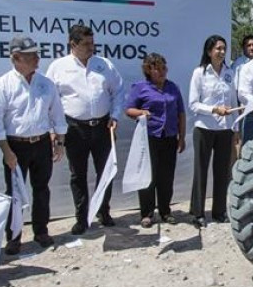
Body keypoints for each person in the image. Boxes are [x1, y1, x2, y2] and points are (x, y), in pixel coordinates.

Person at [0, 36, 67, 254]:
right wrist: (6, 152)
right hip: (15, 146)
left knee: (42, 189)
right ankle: (13, 236)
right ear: (16, 58)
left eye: (36, 54)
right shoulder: (2, 85)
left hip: (41, 143)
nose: (37, 59)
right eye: (31, 55)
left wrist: (59, 143)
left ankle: (41, 230)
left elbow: (57, 115)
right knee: (15, 192)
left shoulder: (45, 83)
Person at [46, 25, 124, 235]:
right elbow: (50, 101)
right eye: (86, 44)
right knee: (78, 175)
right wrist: (55, 129)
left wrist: (115, 116)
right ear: (73, 44)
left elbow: (118, 91)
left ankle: (103, 211)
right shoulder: (58, 67)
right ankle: (81, 217)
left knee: (106, 172)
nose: (92, 47)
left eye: (92, 42)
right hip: (74, 129)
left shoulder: (104, 64)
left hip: (102, 127)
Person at [125, 53, 186, 227]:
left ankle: (165, 211)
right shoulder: (140, 87)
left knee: (166, 176)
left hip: (169, 137)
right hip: (148, 137)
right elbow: (129, 109)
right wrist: (141, 113)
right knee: (147, 176)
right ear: (148, 70)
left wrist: (181, 137)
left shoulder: (173, 87)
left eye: (164, 68)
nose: (162, 72)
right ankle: (147, 213)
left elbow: (181, 113)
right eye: (157, 68)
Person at [187, 35, 236, 226]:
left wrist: (235, 127)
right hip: (205, 128)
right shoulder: (199, 73)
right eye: (218, 49)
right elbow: (193, 104)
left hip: (225, 129)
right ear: (209, 51)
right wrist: (214, 109)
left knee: (222, 171)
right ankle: (197, 213)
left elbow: (232, 101)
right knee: (201, 170)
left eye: (224, 48)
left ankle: (219, 211)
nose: (222, 52)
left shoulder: (229, 73)